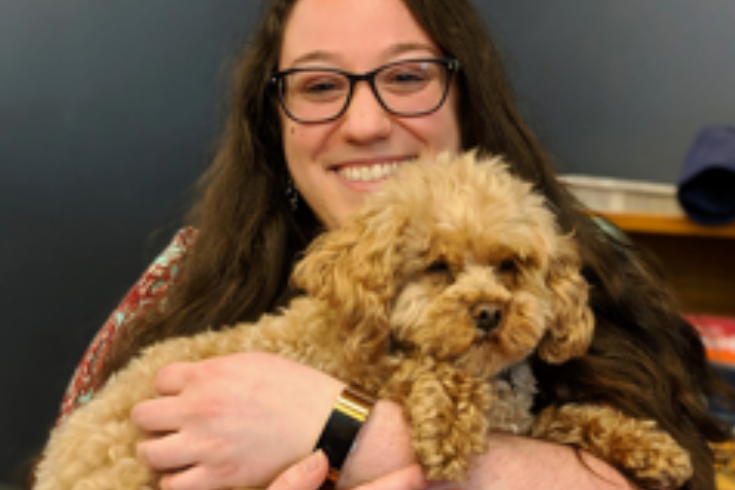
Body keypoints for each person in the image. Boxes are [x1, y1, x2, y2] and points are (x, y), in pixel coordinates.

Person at [50, 0, 733, 489]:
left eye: (406, 76)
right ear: (274, 120)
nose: (367, 123)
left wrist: (343, 430)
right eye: (320, 86)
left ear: (465, 98)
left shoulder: (583, 256)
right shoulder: (183, 276)